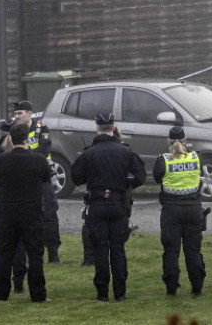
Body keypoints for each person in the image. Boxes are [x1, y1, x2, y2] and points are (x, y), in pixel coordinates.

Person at [72, 111, 146, 302]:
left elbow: (75, 177)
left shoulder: (89, 153)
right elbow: (140, 176)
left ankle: (102, 293)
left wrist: (92, 178)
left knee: (100, 249)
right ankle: (120, 293)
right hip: (119, 203)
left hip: (97, 203)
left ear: (97, 127)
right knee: (118, 249)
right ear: (113, 127)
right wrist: (126, 183)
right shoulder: (126, 151)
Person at [0, 122, 53, 302]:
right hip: (31, 213)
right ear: (27, 139)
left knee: (4, 255)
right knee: (35, 255)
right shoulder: (39, 160)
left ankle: (1, 294)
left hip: (9, 212)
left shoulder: (2, 159)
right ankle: (38, 294)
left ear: (11, 138)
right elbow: (46, 178)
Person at [153, 125, 206, 298]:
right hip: (193, 209)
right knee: (193, 251)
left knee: (171, 251)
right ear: (185, 140)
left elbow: (156, 178)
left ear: (168, 141)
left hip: (171, 210)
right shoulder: (196, 157)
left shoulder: (164, 160)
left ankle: (171, 288)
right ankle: (197, 287)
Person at [12, 99, 62, 264]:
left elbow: (43, 150)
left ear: (29, 114)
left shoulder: (41, 130)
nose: (16, 116)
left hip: (42, 179)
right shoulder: (13, 131)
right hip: (22, 180)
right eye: (15, 114)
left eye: (20, 113)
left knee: (49, 214)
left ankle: (53, 254)